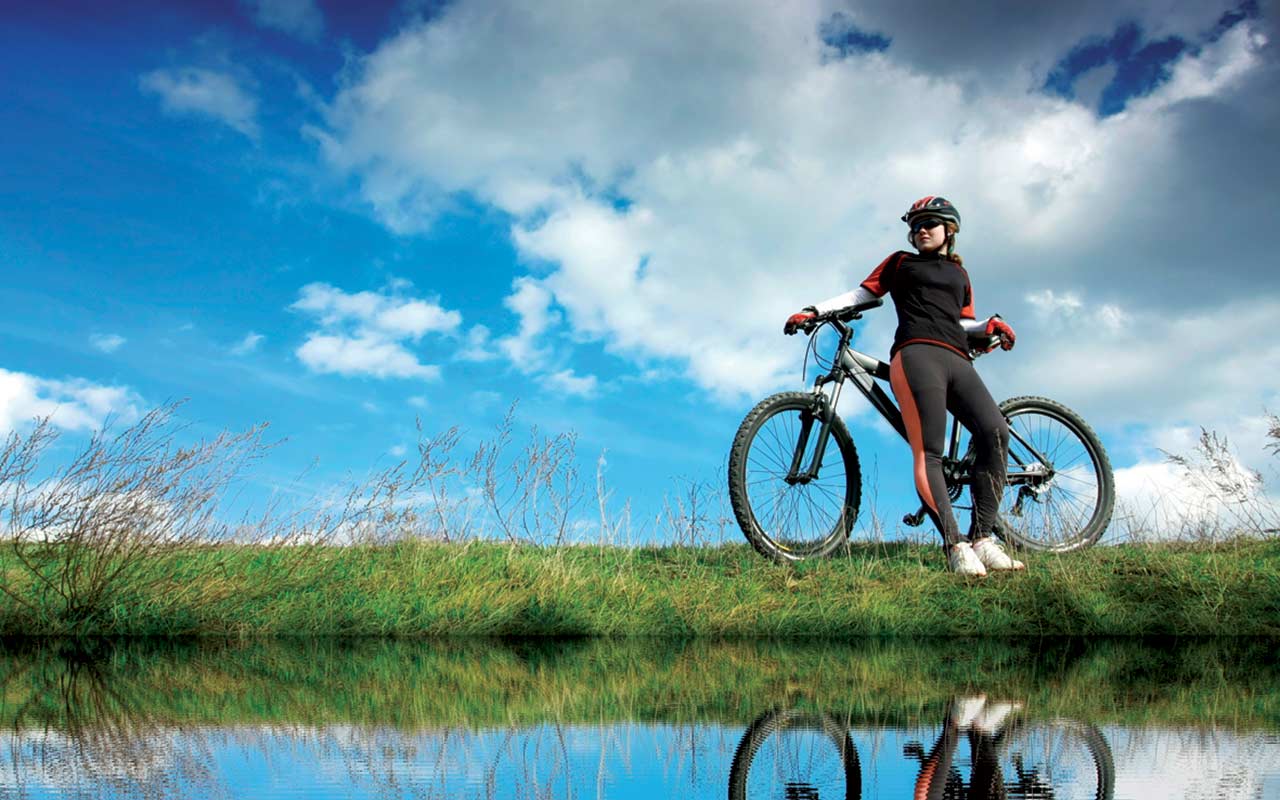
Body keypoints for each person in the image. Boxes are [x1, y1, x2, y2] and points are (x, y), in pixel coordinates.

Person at [783, 196, 1023, 576]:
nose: (921, 230)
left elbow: (964, 324)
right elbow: (864, 294)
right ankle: (956, 546)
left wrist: (989, 327)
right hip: (916, 356)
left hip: (958, 359)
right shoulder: (900, 262)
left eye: (929, 223)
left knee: (995, 432)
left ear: (949, 230)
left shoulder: (960, 276)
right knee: (928, 450)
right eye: (915, 225)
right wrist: (814, 311)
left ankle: (983, 539)